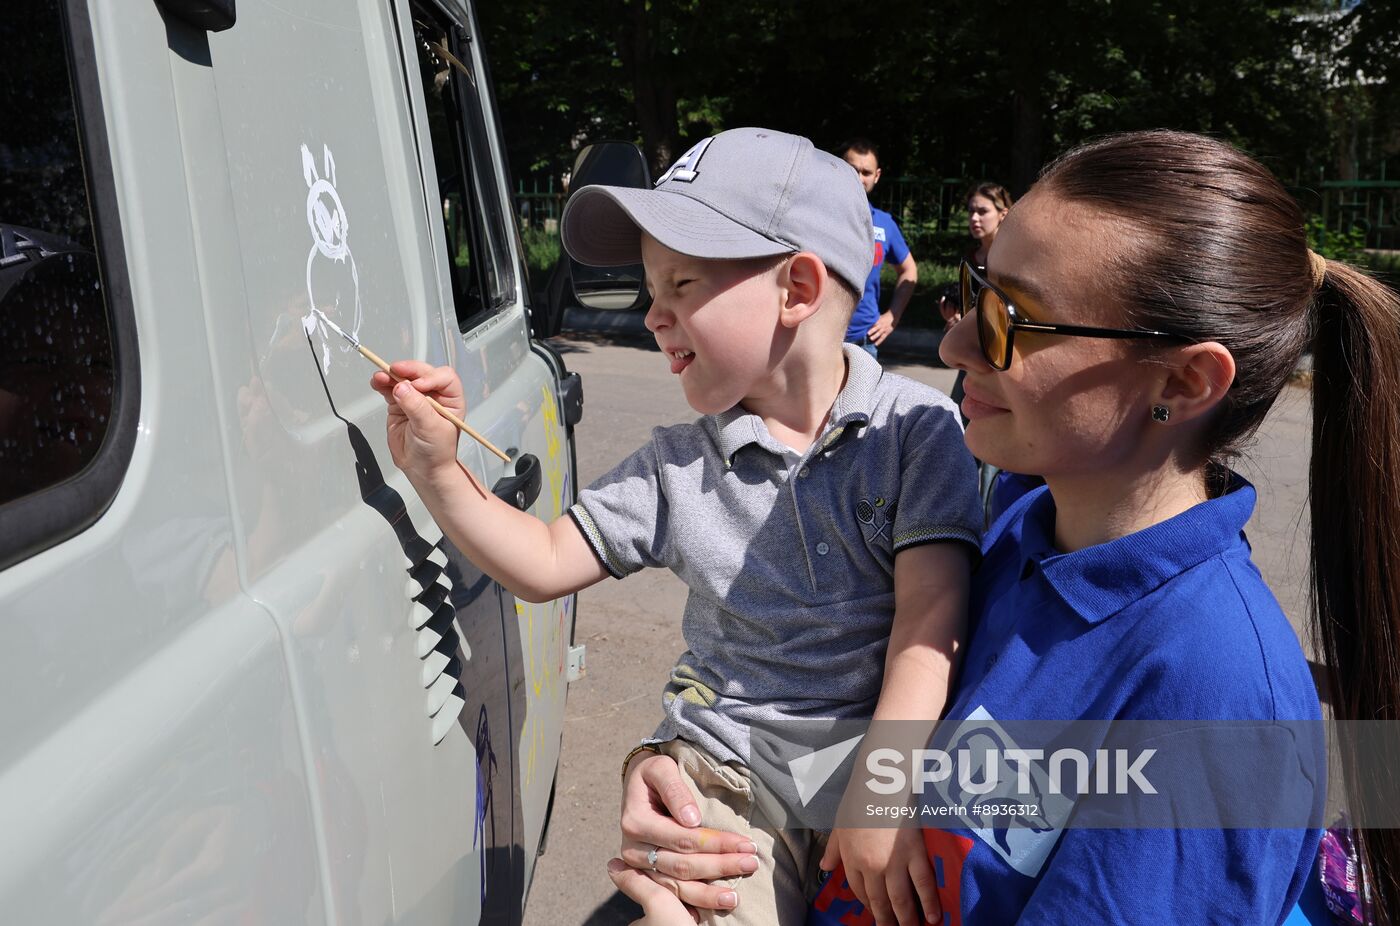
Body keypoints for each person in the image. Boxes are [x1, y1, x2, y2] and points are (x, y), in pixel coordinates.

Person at [610, 129, 1400, 925]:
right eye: (975, 290)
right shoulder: (1021, 525)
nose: (954, 344)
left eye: (1009, 319)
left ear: (1184, 381)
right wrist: (689, 775)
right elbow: (911, 764)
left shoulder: (1217, 694)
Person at [374, 127, 983, 925]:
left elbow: (930, 617)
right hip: (728, 779)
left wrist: (882, 782)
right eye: (650, 288)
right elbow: (545, 560)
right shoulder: (675, 466)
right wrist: (437, 471)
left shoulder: (917, 429)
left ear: (797, 289)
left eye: (682, 284)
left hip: (875, 765)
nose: (653, 315)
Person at [840, 138, 918, 360]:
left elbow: (909, 270)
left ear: (877, 176)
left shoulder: (884, 224)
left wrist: (892, 316)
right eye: (853, 170)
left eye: (866, 172)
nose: (859, 178)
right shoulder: (819, 215)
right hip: (819, 338)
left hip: (864, 342)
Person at [946, 183, 1013, 421]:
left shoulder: (1014, 257)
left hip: (1003, 357)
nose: (974, 218)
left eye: (983, 211)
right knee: (958, 418)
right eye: (971, 211)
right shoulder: (970, 257)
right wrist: (958, 319)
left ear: (1003, 213)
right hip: (975, 352)